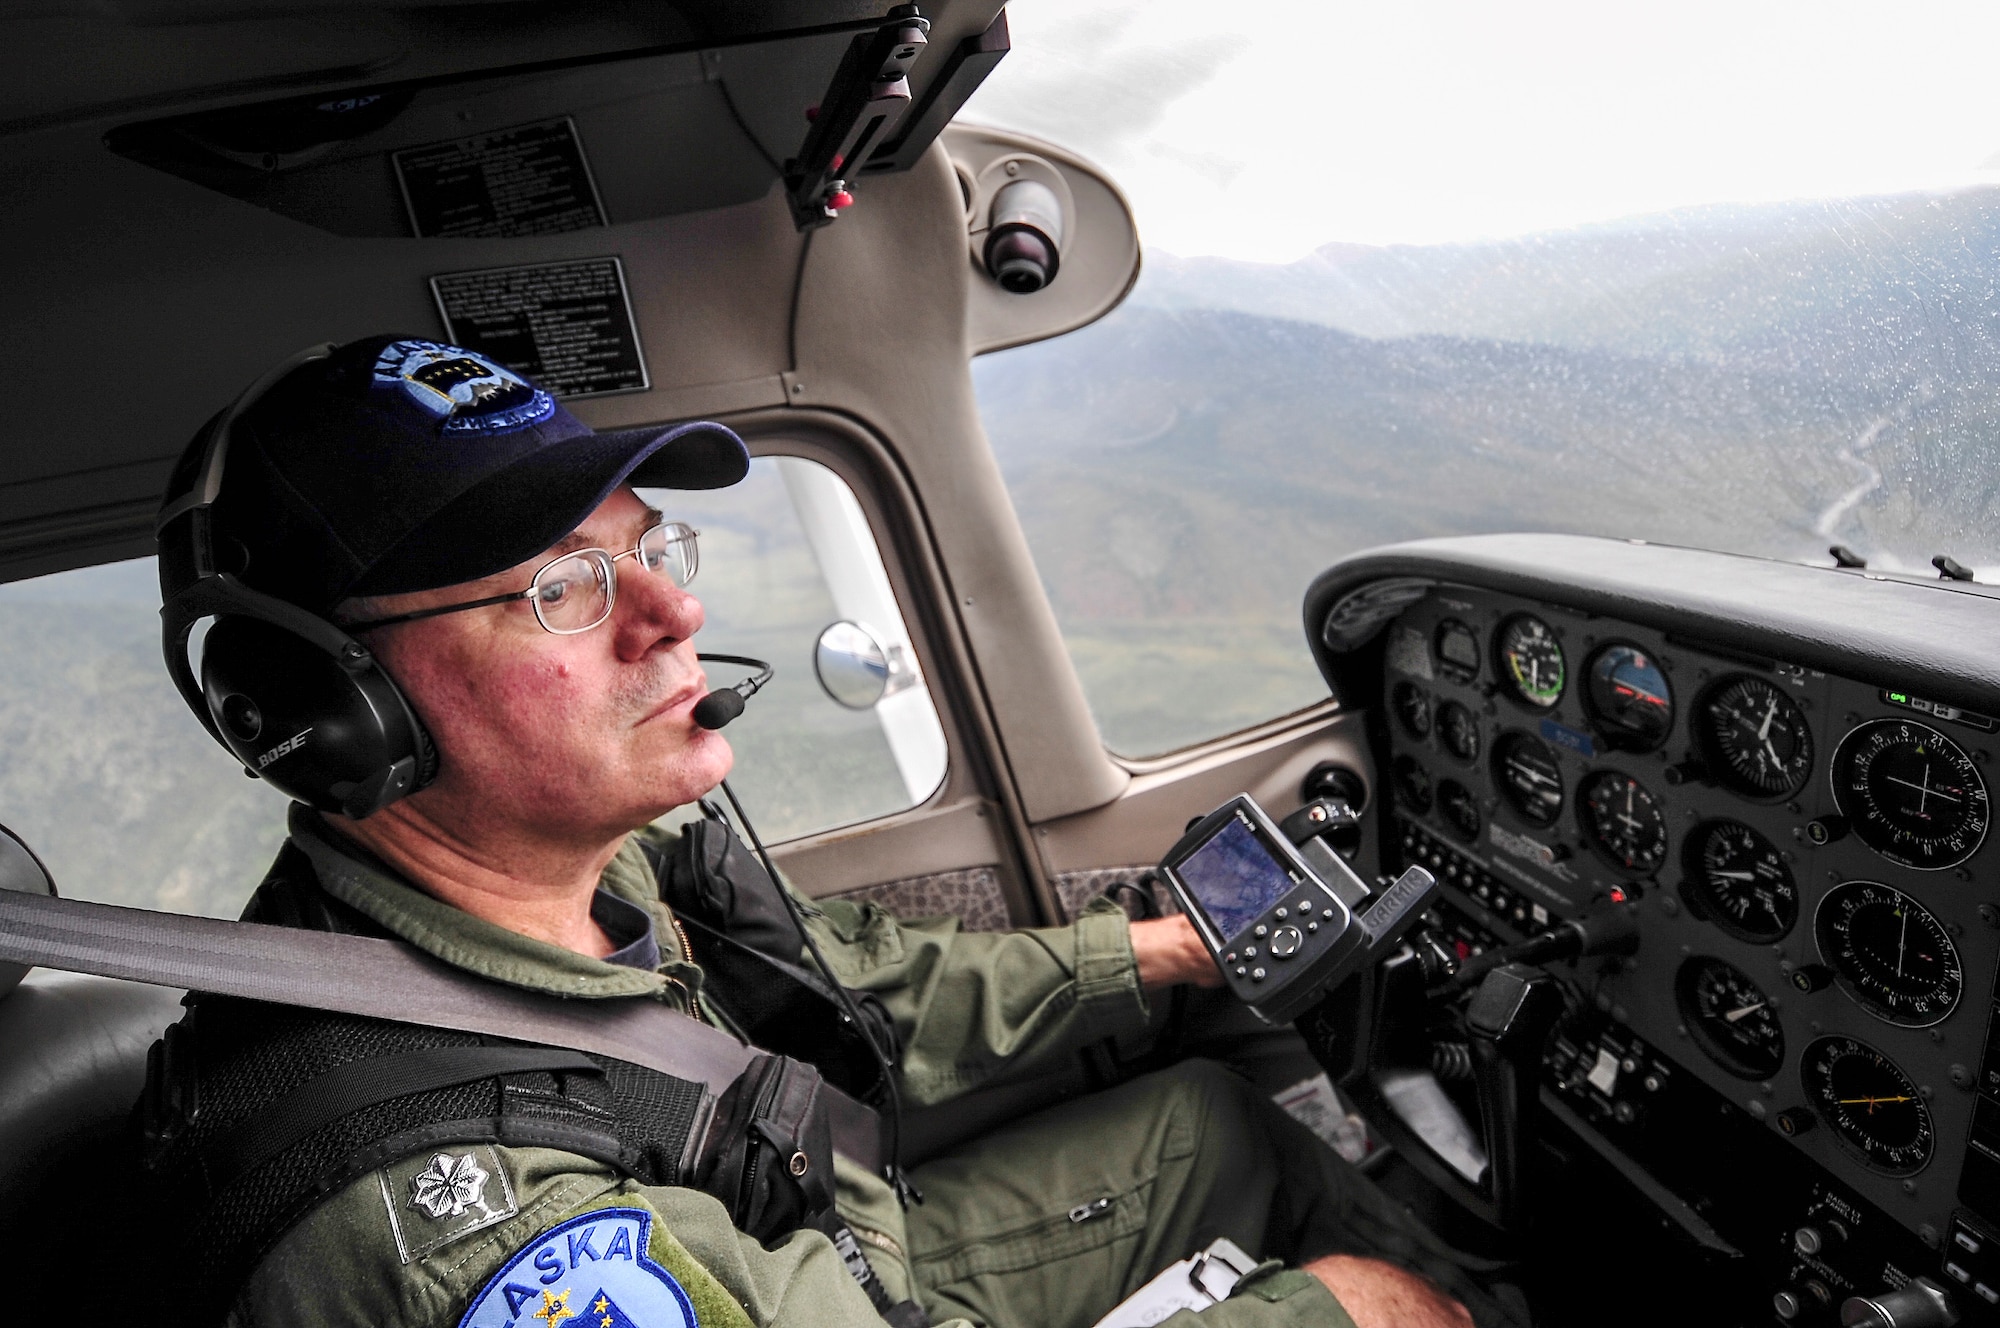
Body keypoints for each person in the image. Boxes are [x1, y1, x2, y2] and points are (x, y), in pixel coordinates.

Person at [138, 337, 1496, 1328]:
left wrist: (1156, 956)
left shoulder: (585, 873)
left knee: (1218, 1124)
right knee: (1382, 1307)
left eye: (650, 551)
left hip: (826, 1252)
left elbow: (849, 987)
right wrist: (1328, 1317)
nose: (667, 617)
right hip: (793, 1285)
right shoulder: (498, 1244)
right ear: (335, 711)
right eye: (557, 587)